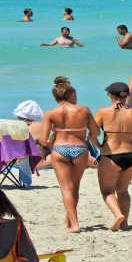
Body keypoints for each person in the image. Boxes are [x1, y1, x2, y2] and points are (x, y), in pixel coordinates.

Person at [40, 76, 100, 233]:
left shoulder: (50, 113)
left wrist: (56, 135)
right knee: (74, 188)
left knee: (66, 188)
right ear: (72, 94)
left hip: (59, 150)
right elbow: (96, 131)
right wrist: (82, 134)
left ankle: (72, 223)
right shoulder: (84, 109)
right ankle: (71, 222)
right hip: (80, 149)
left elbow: (43, 140)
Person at [94, 82, 132, 231]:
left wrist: (100, 147)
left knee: (107, 191)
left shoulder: (102, 111)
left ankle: (117, 215)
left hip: (111, 155)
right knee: (123, 190)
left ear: (110, 96)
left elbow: (92, 134)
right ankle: (125, 223)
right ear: (128, 95)